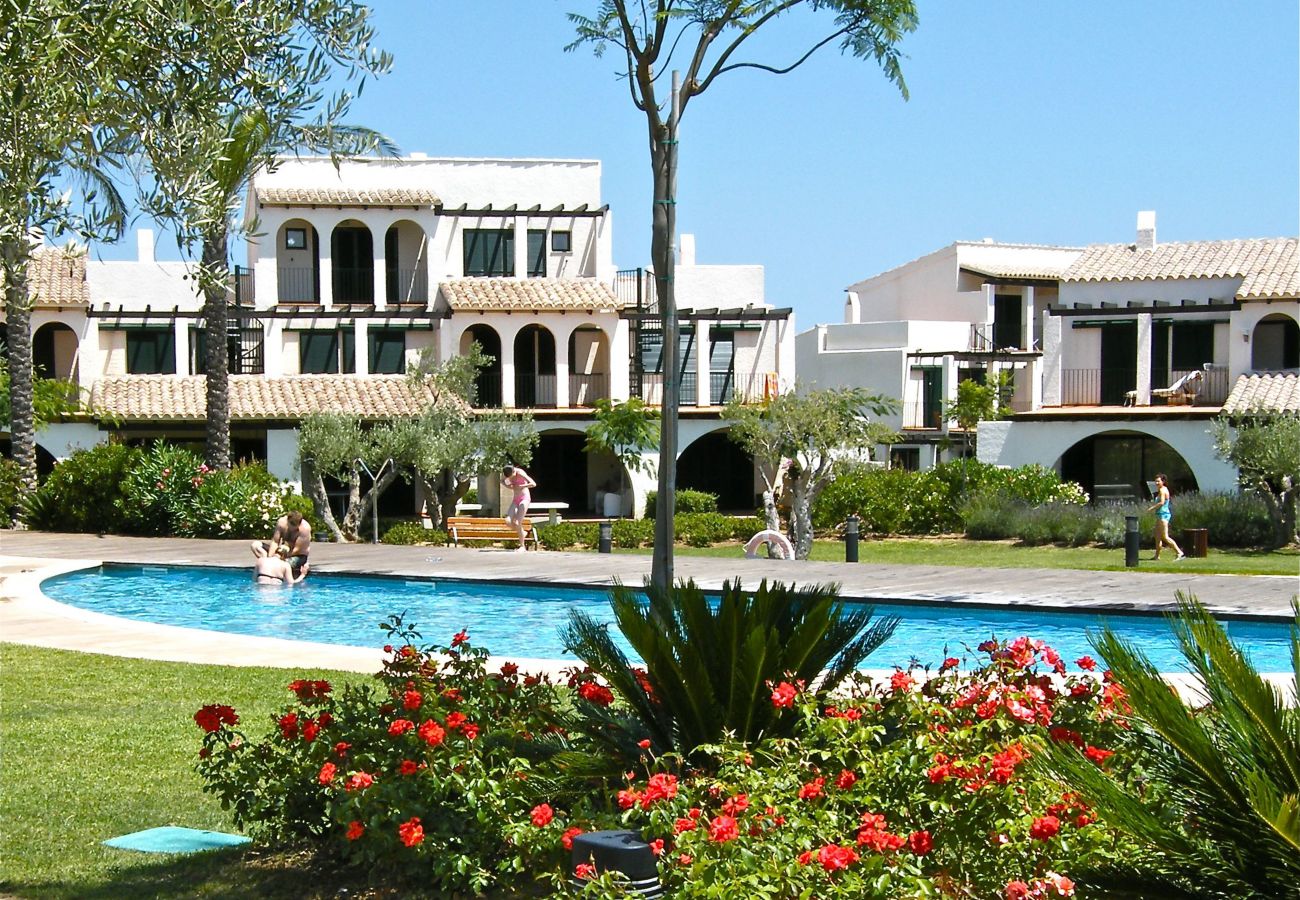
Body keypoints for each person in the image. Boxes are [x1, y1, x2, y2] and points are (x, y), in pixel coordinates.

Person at [1147, 473, 1185, 561]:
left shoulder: (1162, 490)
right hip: (1160, 515)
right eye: (1155, 481)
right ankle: (1157, 556)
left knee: (1165, 537)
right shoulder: (1162, 489)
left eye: (1158, 481)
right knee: (1157, 536)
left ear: (1163, 481)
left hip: (1163, 515)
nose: (1156, 483)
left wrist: (1152, 508)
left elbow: (1162, 502)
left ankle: (1180, 553)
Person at [264, 510, 312, 578]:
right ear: (287, 520)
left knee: (282, 565)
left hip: (298, 555)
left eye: (296, 525)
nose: (294, 527)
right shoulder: (281, 523)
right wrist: (270, 558)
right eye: (292, 524)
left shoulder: (305, 529)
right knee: (256, 546)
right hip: (282, 551)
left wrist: (279, 558)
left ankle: (286, 571)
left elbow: (296, 550)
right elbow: (275, 542)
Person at [500, 464, 537, 551]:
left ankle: (522, 546)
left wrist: (521, 486)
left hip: (524, 498)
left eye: (511, 476)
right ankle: (522, 533)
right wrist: (508, 486)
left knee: (517, 522)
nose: (510, 478)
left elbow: (533, 484)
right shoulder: (506, 474)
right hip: (515, 499)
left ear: (514, 471)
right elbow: (502, 481)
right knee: (508, 521)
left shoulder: (520, 473)